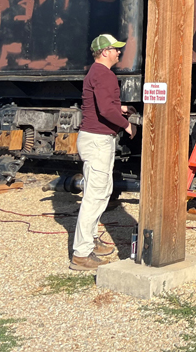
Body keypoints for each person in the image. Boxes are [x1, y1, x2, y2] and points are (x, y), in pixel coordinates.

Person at [70, 33, 136, 272]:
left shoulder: (96, 74)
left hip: (95, 138)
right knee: (95, 195)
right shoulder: (104, 74)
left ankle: (91, 240)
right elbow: (106, 111)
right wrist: (127, 125)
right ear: (105, 51)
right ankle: (81, 253)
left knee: (101, 190)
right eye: (116, 49)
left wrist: (122, 108)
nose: (119, 52)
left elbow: (102, 105)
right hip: (98, 140)